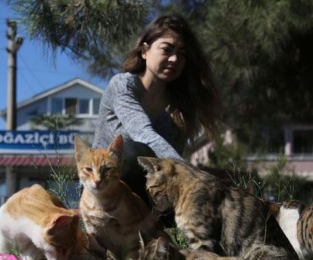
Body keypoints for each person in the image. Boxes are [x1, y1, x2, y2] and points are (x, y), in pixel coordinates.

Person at [92, 14, 222, 226]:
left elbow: (169, 170)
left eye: (182, 54)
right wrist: (193, 178)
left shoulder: (180, 109)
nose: (174, 59)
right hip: (102, 199)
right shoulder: (123, 86)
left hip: (149, 206)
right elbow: (143, 134)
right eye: (167, 49)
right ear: (145, 51)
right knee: (136, 147)